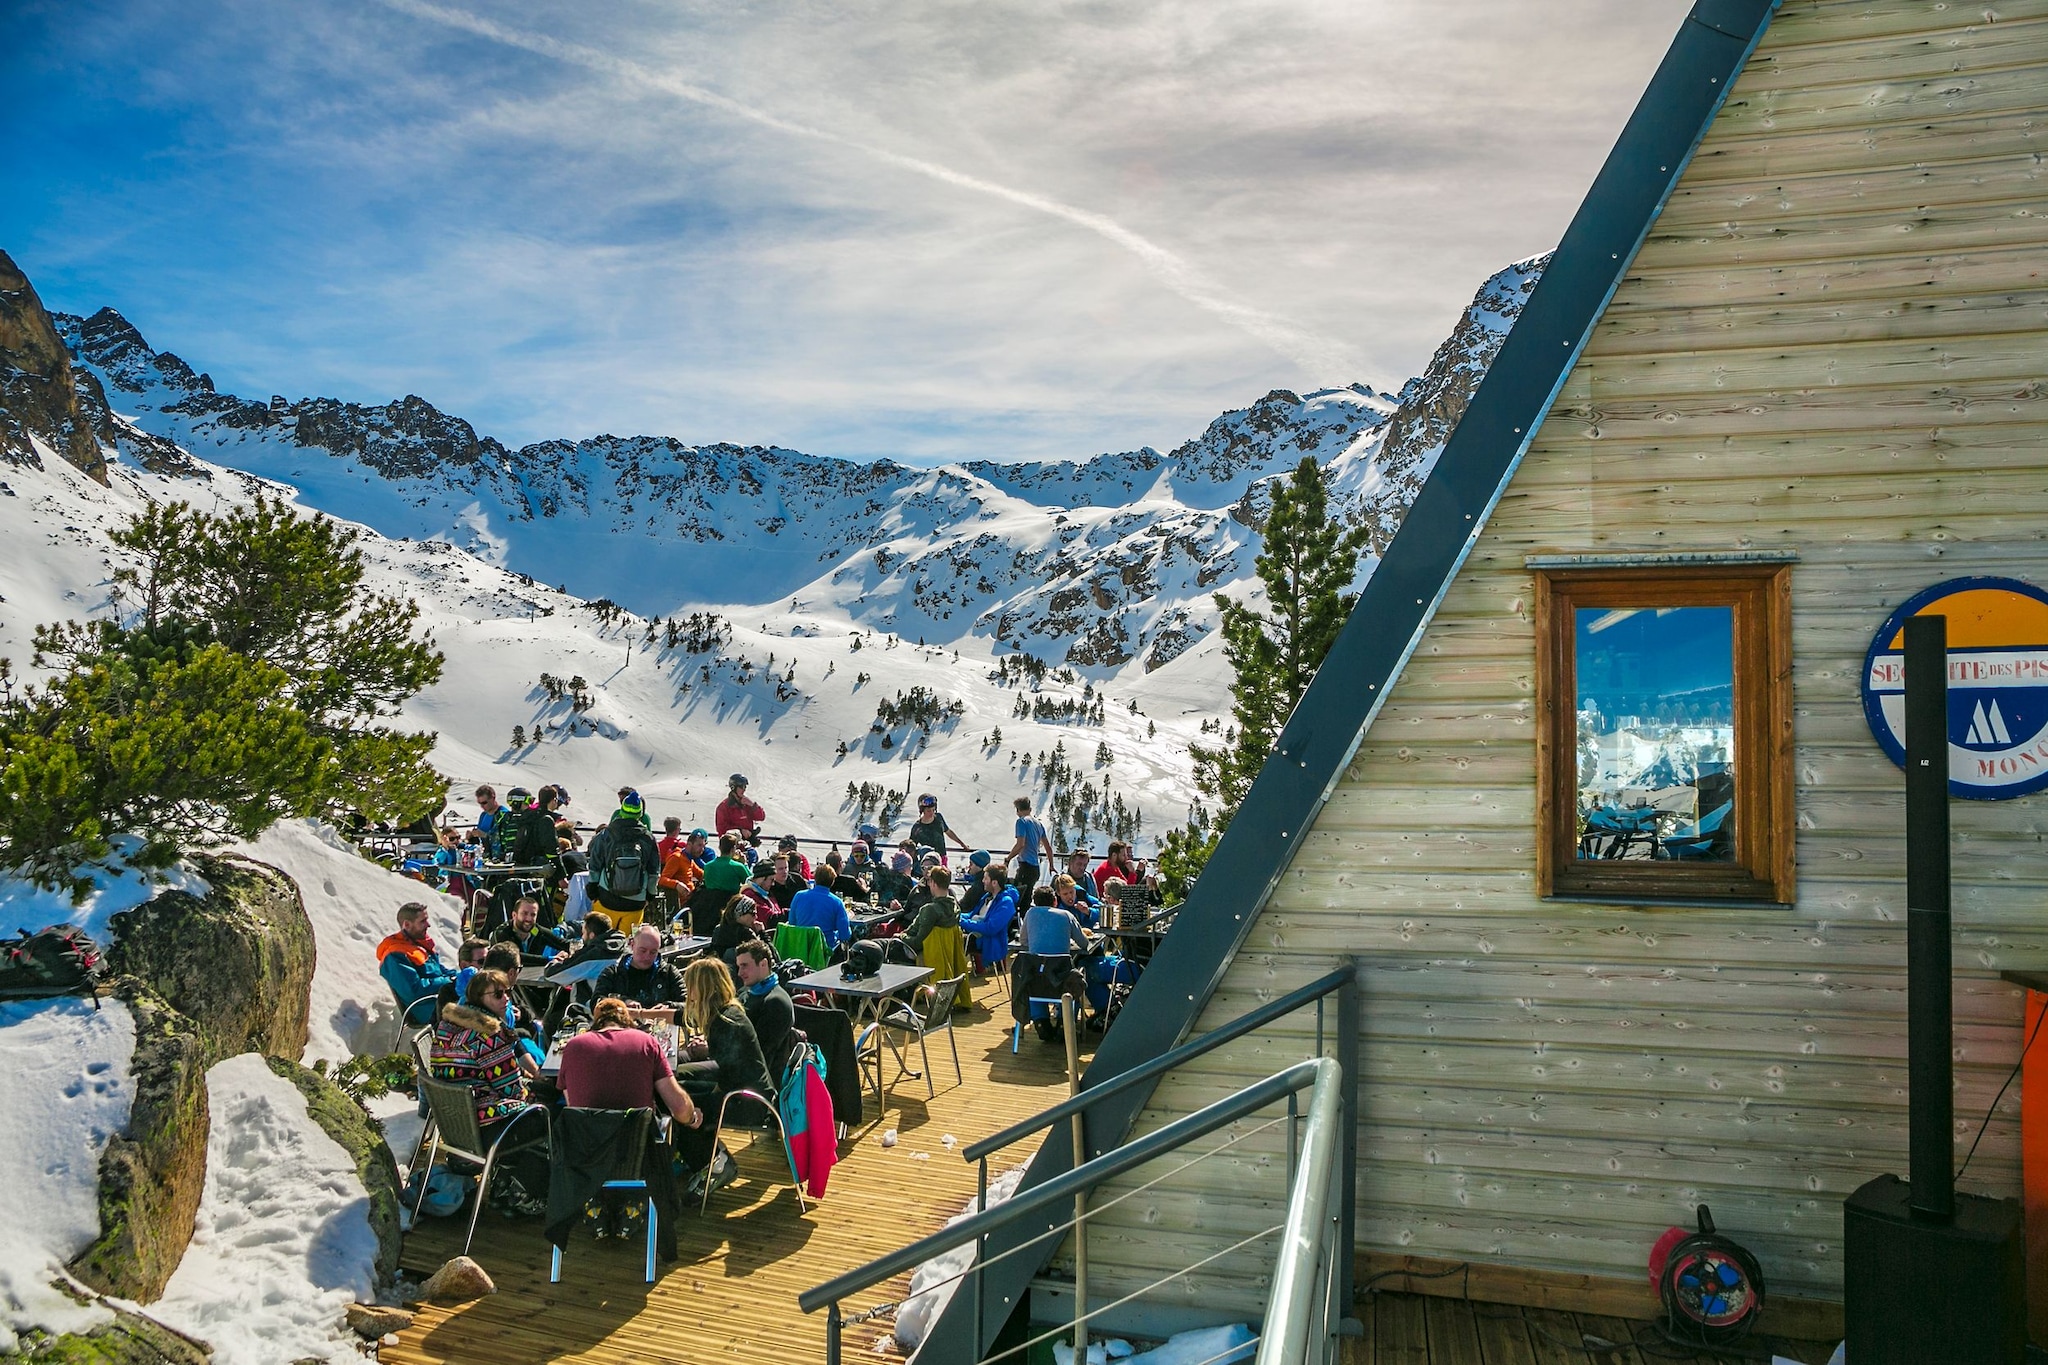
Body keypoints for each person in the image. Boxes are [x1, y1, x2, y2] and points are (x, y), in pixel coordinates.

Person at [554, 996, 704, 1239]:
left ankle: (595, 1201)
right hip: (635, 1153)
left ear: (596, 1022)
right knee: (665, 1129)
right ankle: (635, 1202)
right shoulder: (646, 1043)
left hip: (588, 1157)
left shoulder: (574, 1046)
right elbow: (678, 1107)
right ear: (628, 1021)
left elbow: (575, 1107)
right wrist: (691, 1116)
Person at [430, 968, 546, 1213]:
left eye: (507, 992)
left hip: (457, 1125)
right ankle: (520, 1192)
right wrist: (534, 1088)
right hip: (485, 1129)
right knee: (547, 1114)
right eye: (498, 994)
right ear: (478, 998)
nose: (505, 998)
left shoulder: (447, 1028)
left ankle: (504, 1186)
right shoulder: (488, 1036)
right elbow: (512, 1091)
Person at [676, 957, 775, 1199]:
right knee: (677, 1084)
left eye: (691, 986)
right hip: (747, 1089)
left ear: (704, 988)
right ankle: (707, 1154)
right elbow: (683, 1016)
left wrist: (692, 1106)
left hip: (746, 1102)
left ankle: (714, 1163)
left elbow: (729, 1077)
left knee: (679, 1107)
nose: (688, 992)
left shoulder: (725, 1022)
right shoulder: (726, 1011)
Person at [586, 795, 663, 931]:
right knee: (628, 946)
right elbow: (654, 872)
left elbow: (595, 865)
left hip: (606, 898)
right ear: (640, 814)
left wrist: (593, 892)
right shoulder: (648, 838)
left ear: (621, 810)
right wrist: (649, 896)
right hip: (635, 902)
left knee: (599, 941)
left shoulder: (606, 834)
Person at [378, 901, 457, 1026]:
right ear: (407, 924)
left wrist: (460, 976)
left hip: (443, 1000)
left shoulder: (417, 945)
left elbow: (438, 970)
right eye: (423, 921)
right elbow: (414, 991)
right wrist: (449, 981)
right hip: (428, 1009)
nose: (428, 925)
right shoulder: (395, 955)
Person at [592, 924, 686, 1024]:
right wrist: (623, 1002)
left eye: (653, 952)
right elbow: (597, 1002)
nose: (647, 957)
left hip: (661, 1031)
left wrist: (668, 1007)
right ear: (632, 945)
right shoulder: (613, 973)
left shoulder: (669, 973)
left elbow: (689, 1005)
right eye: (643, 950)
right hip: (622, 1031)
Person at [733, 941, 796, 1082]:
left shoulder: (776, 1002)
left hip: (750, 1080)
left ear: (763, 964)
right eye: (739, 967)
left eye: (745, 966)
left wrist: (711, 1049)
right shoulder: (745, 992)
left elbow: (759, 1053)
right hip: (733, 1063)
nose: (739, 973)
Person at [689, 832, 752, 935]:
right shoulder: (737, 867)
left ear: (719, 847)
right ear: (733, 849)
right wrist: (744, 864)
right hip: (729, 905)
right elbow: (751, 882)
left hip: (707, 906)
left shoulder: (708, 866)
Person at [492, 895, 574, 964]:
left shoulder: (537, 931)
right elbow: (513, 956)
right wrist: (550, 959)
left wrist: (579, 947)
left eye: (533, 915)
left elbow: (563, 943)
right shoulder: (502, 932)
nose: (529, 919)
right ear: (514, 915)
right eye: (525, 913)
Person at [787, 865, 851, 952]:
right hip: (825, 950)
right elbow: (845, 935)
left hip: (801, 947)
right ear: (832, 881)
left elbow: (792, 923)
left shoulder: (799, 896)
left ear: (815, 879)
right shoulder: (837, 902)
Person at [900, 865, 960, 956]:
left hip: (919, 953)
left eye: (929, 881)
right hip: (944, 954)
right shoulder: (955, 908)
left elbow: (917, 943)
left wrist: (902, 936)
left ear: (934, 884)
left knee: (880, 945)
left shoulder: (929, 910)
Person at [1004, 798, 1055, 904]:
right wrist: (1051, 865)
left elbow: (1020, 844)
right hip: (1035, 868)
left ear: (1018, 810)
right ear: (1030, 809)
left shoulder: (1021, 822)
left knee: (1020, 899)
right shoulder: (1038, 824)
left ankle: (1023, 919)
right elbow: (1048, 848)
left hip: (1026, 866)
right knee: (1026, 897)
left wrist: (1008, 858)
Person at [908, 793, 971, 863]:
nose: (931, 813)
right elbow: (911, 846)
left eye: (933, 810)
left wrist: (962, 844)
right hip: (928, 861)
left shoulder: (939, 818)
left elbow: (948, 832)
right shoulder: (917, 828)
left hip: (942, 858)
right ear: (922, 810)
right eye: (928, 811)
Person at [710, 895, 765, 965]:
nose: (756, 917)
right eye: (753, 914)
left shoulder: (718, 930)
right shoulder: (746, 934)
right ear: (740, 914)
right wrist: (762, 933)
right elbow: (770, 957)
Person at [715, 774, 765, 843]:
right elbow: (722, 829)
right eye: (741, 787)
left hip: (747, 845)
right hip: (732, 847)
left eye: (745, 787)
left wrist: (752, 805)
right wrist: (740, 832)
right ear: (733, 788)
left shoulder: (746, 804)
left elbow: (761, 817)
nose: (744, 789)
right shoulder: (723, 807)